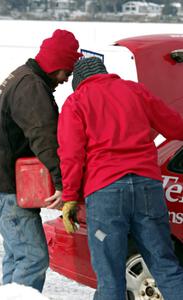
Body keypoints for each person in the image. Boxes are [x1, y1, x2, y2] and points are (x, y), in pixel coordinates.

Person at [57, 57, 183, 300]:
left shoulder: (77, 101)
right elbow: (176, 127)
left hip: (106, 192)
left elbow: (71, 155)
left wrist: (70, 198)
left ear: (79, 82)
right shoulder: (135, 91)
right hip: (148, 187)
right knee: (165, 265)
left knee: (110, 274)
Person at [0, 29, 81, 292]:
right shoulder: (31, 88)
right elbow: (44, 139)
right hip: (8, 188)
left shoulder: (23, 77)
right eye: (66, 73)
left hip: (2, 183)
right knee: (33, 256)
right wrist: (63, 184)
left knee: (17, 255)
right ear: (57, 65)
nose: (65, 80)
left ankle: (10, 296)